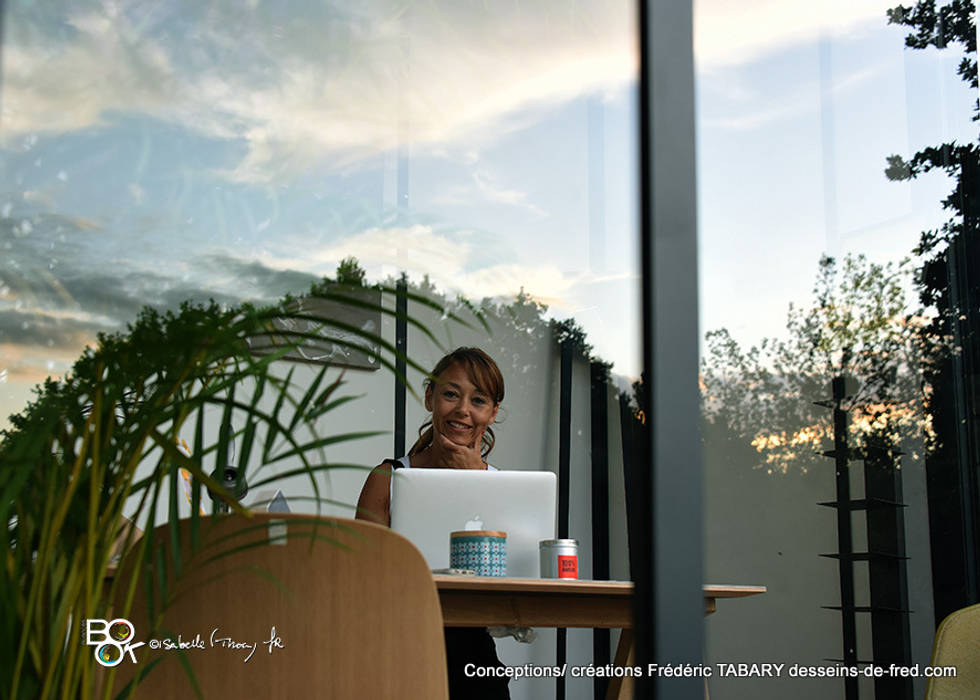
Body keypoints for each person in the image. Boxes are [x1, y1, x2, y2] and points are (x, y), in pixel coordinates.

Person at [356, 347, 510, 700]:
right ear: (430, 397)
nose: (463, 410)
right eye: (451, 394)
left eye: (479, 400)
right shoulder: (388, 478)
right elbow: (360, 575)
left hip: (472, 646)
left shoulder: (502, 486)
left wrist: (476, 483)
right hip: (396, 642)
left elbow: (513, 580)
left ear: (492, 413)